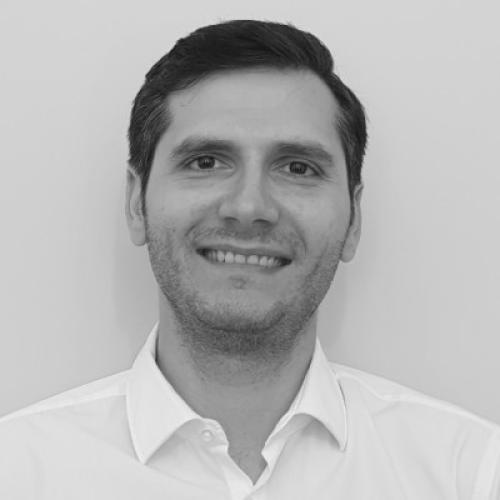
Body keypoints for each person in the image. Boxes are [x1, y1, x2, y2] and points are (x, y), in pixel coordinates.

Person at [0, 19, 499, 499]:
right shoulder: (17, 472)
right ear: (136, 202)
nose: (249, 207)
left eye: (298, 167)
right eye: (206, 162)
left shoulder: (471, 475)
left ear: (353, 219)